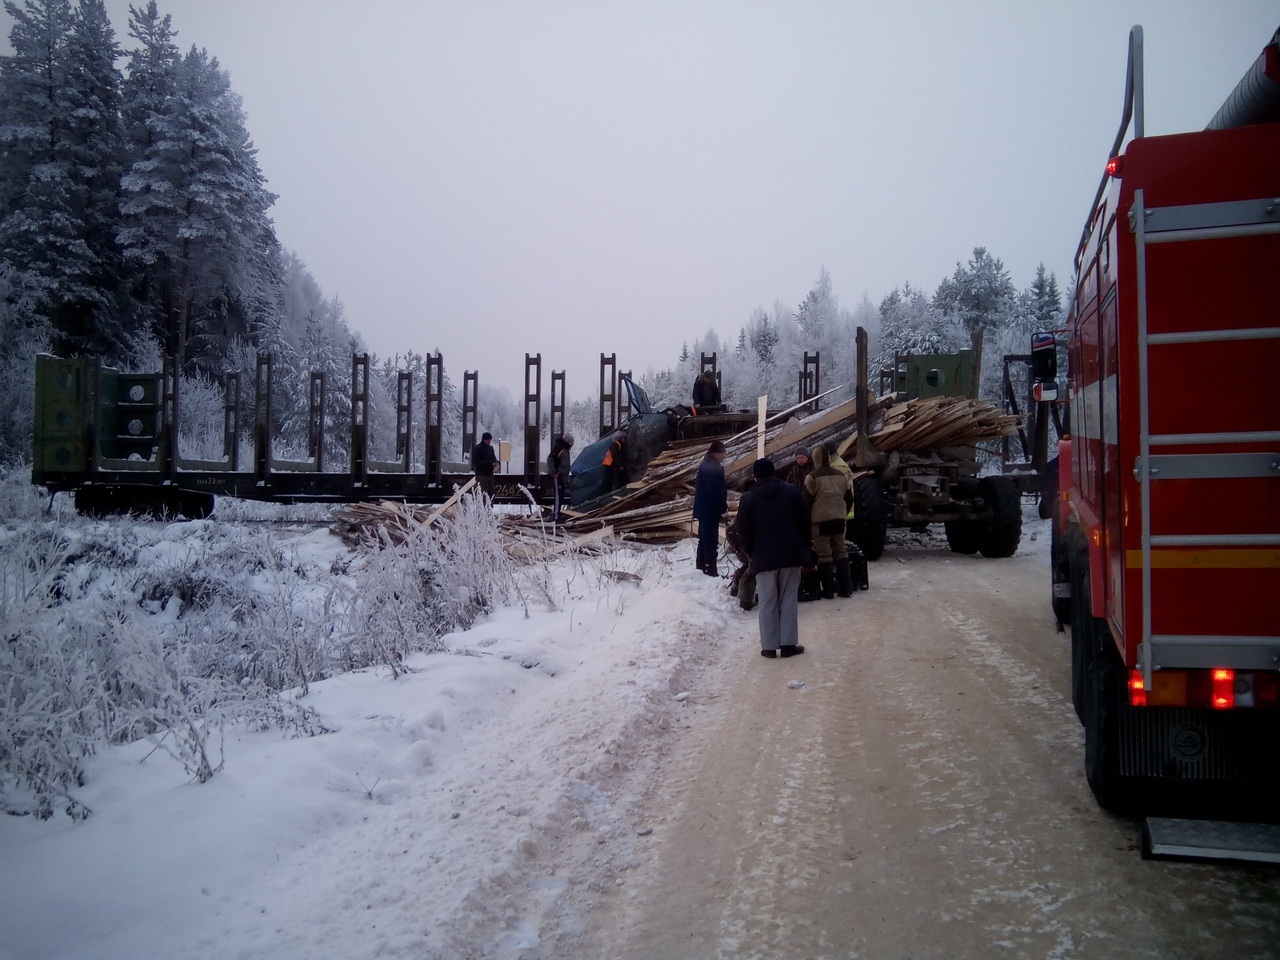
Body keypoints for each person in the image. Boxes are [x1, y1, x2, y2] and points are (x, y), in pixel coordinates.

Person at [736, 457, 811, 658]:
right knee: (788, 600)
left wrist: (752, 552)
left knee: (768, 602)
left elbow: (743, 530)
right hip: (790, 555)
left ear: (755, 476)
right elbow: (805, 520)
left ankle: (768, 648)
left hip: (763, 558)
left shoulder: (748, 499)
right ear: (774, 472)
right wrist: (803, 546)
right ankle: (788, 646)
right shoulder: (791, 492)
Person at [804, 446, 855, 599]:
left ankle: (828, 591)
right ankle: (846, 589)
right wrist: (842, 513)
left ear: (815, 458)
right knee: (841, 552)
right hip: (839, 520)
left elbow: (806, 502)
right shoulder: (841, 475)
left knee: (824, 555)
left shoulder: (812, 477)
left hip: (820, 522)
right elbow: (850, 498)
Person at [692, 440, 728, 576]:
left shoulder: (710, 465)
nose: (724, 456)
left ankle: (701, 567)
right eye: (722, 453)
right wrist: (723, 508)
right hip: (709, 511)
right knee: (710, 542)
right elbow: (714, 492)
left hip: (705, 510)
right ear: (716, 453)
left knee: (704, 539)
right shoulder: (710, 468)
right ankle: (711, 571)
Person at [548, 434, 574, 523]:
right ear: (568, 441)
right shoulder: (560, 448)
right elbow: (550, 459)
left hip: (562, 477)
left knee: (561, 497)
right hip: (558, 476)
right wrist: (554, 472)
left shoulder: (566, 450)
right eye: (572, 441)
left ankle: (558, 515)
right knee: (558, 497)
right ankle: (556, 517)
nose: (573, 444)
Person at [470, 432, 499, 497]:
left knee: (491, 494)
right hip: (481, 475)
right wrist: (490, 463)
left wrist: (495, 462)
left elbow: (493, 457)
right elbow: (476, 461)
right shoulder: (478, 448)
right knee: (483, 494)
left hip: (490, 474)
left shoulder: (490, 448)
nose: (489, 441)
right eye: (488, 439)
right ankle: (483, 506)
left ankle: (490, 506)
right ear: (484, 439)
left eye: (490, 439)